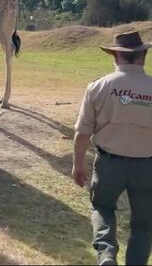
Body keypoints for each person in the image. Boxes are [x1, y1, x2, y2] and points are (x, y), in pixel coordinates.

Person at [72, 30, 152, 266]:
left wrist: (78, 164)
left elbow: (82, 132)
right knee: (144, 223)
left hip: (109, 163)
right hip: (147, 165)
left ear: (116, 56)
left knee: (102, 207)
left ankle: (106, 254)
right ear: (143, 55)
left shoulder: (98, 87)